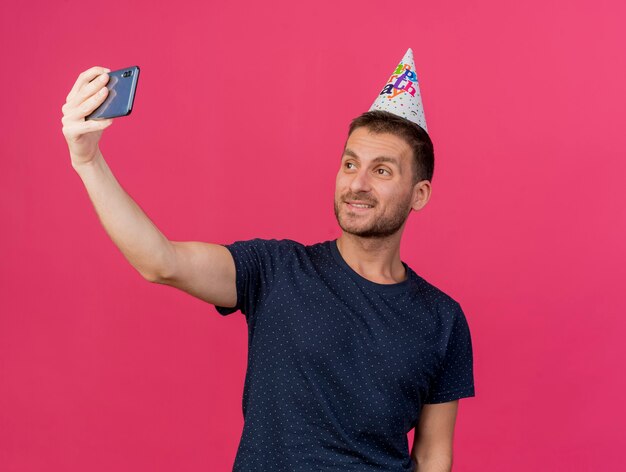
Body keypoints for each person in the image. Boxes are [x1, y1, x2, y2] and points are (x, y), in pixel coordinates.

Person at [61, 50, 475, 472]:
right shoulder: (275, 270)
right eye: (350, 164)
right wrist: (88, 160)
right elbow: (161, 261)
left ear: (419, 194)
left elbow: (432, 454)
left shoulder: (443, 318)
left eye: (382, 171)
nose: (358, 183)